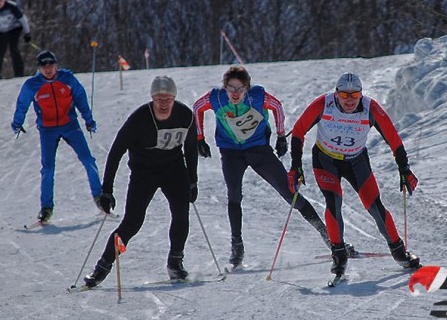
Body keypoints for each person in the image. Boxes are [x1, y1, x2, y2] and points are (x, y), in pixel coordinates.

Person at [193, 65, 344, 268]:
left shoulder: (258, 96)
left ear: (247, 87)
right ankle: (237, 247)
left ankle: (329, 237)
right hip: (231, 153)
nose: (235, 93)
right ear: (225, 87)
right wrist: (199, 137)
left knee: (289, 192)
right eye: (231, 88)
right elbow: (196, 108)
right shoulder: (216, 98)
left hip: (259, 151)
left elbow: (277, 107)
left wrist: (281, 136)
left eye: (240, 88)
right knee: (234, 195)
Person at [289, 72, 421, 276]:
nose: (349, 100)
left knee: (375, 206)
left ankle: (399, 252)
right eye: (344, 95)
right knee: (333, 202)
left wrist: (404, 169)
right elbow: (298, 131)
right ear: (336, 94)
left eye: (355, 95)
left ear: (361, 94)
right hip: (326, 161)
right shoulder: (323, 105)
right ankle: (339, 255)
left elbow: (393, 138)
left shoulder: (370, 108)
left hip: (356, 161)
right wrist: (295, 166)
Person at [84, 76, 198, 287]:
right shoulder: (139, 119)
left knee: (181, 213)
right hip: (144, 172)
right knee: (133, 223)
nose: (163, 103)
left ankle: (175, 262)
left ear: (174, 98)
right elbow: (116, 151)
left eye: (168, 98)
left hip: (173, 169)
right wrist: (106, 189)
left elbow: (191, 148)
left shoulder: (185, 116)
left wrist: (193, 180)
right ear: (152, 98)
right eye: (158, 98)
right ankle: (103, 266)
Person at [11, 50, 102, 222]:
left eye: (51, 65)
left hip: (70, 126)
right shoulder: (32, 85)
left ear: (56, 65)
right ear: (39, 68)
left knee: (88, 160)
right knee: (48, 169)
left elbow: (81, 99)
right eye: (43, 66)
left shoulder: (67, 79)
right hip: (48, 130)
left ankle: (99, 197)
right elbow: (22, 104)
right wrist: (17, 122)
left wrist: (88, 120)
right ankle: (46, 208)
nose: (48, 69)